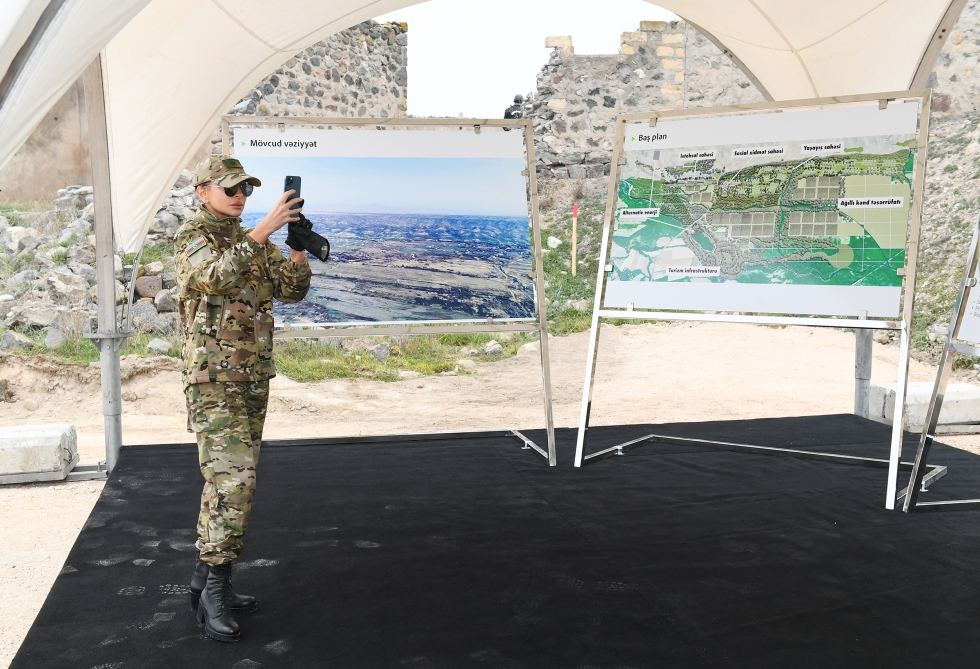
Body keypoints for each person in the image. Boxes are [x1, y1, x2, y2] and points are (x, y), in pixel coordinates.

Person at [174, 155, 312, 643]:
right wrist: (261, 232)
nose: (240, 196)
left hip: (252, 377)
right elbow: (211, 278)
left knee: (229, 482)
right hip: (213, 379)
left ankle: (207, 580)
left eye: (246, 190)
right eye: (231, 187)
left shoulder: (253, 240)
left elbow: (291, 292)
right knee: (235, 483)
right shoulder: (194, 236)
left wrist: (296, 248)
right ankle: (214, 587)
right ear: (203, 191)